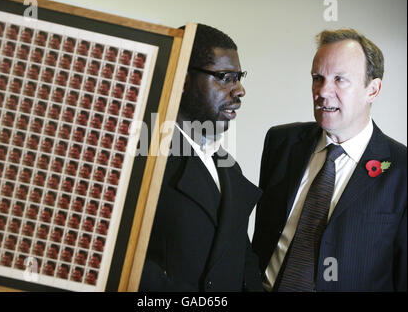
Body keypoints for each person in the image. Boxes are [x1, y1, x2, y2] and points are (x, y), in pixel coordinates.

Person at [252, 28, 407, 292]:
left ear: (373, 89)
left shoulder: (401, 168)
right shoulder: (282, 142)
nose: (323, 91)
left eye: (339, 80)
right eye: (317, 78)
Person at [139, 24, 262, 292]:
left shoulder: (230, 170)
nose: (239, 90)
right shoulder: (141, 159)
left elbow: (243, 262)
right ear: (183, 79)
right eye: (225, 77)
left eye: (239, 77)